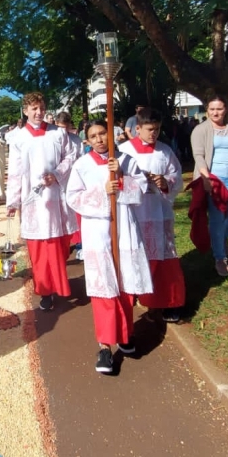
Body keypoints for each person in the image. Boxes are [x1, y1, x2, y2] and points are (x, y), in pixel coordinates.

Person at [67, 120, 153, 373]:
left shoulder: (126, 160)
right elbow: (73, 197)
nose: (98, 139)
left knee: (125, 284)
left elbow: (142, 189)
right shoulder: (81, 165)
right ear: (88, 140)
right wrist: (103, 191)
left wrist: (123, 177)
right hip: (97, 230)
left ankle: (125, 335)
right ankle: (105, 346)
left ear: (111, 134)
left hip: (124, 228)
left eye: (102, 133)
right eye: (93, 136)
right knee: (104, 287)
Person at [6, 91, 78, 311]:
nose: (39, 112)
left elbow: (70, 156)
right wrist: (13, 201)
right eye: (34, 109)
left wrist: (56, 173)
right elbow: (16, 172)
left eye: (41, 107)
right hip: (33, 200)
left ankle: (60, 284)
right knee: (38, 248)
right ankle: (45, 290)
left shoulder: (58, 133)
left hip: (56, 197)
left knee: (58, 246)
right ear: (26, 111)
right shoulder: (18, 138)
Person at [119, 107, 185, 322]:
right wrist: (138, 183)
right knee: (139, 257)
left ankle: (168, 302)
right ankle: (140, 296)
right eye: (149, 129)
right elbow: (116, 181)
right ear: (137, 128)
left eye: (156, 129)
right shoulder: (125, 151)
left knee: (165, 257)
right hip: (136, 213)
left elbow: (176, 176)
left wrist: (166, 182)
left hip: (159, 211)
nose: (153, 134)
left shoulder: (164, 151)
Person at [191, 95, 228, 276]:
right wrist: (206, 178)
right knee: (217, 219)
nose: (216, 112)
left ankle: (222, 240)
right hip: (214, 179)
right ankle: (220, 258)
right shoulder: (201, 130)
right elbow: (199, 155)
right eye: (212, 109)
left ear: (226, 109)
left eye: (219, 108)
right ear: (207, 110)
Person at [55, 112, 84, 260]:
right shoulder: (52, 140)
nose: (62, 132)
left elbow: (80, 159)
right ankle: (62, 246)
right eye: (59, 128)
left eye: (65, 129)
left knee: (75, 213)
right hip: (57, 183)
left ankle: (79, 243)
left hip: (73, 179)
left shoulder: (76, 140)